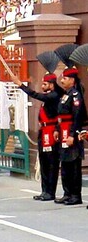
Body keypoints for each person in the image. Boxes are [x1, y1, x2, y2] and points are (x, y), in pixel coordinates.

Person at [11, 64, 62, 201]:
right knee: (44, 162)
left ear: (51, 85)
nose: (42, 86)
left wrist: (21, 85)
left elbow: (35, 95)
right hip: (43, 130)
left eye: (45, 84)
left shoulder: (54, 96)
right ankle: (45, 190)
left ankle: (50, 192)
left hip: (50, 132)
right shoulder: (49, 96)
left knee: (51, 163)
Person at [53, 66, 86, 205]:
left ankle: (75, 195)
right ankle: (67, 193)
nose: (62, 80)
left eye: (65, 78)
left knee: (73, 164)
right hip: (63, 131)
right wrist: (56, 129)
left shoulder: (75, 95)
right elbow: (60, 115)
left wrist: (73, 134)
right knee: (65, 163)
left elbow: (77, 116)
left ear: (72, 80)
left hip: (71, 132)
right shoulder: (65, 94)